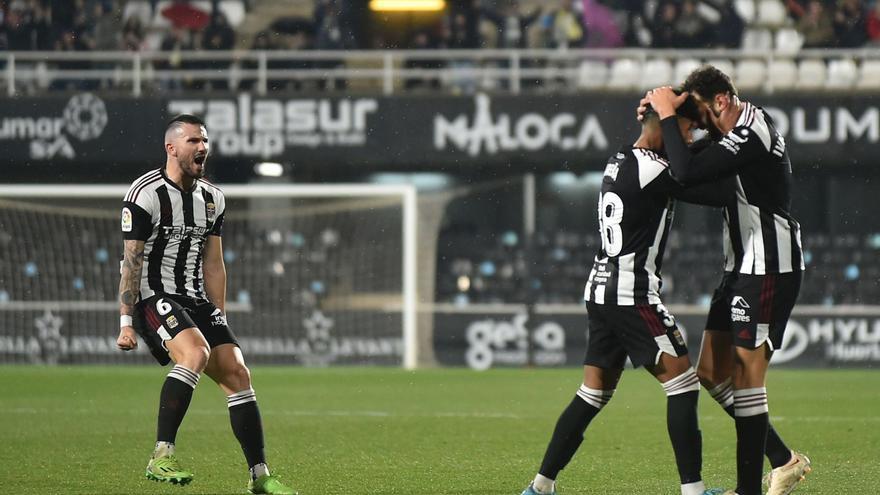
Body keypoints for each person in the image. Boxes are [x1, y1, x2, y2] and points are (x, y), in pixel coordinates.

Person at [520, 95, 727, 495]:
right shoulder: (657, 168)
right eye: (683, 130)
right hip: (631, 293)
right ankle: (694, 492)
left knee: (592, 393)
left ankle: (540, 488)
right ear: (660, 127)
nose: (685, 138)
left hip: (600, 288)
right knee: (683, 384)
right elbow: (703, 181)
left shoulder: (620, 159)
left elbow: (684, 157)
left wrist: (688, 120)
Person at [647, 66, 811, 495]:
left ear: (720, 100)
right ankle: (783, 460)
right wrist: (659, 117)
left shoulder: (753, 130)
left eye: (699, 113)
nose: (697, 124)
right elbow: (678, 164)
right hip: (740, 266)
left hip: (769, 265)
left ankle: (747, 491)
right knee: (711, 372)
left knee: (745, 373)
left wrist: (667, 115)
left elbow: (683, 172)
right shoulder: (726, 134)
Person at [116, 114, 296, 495]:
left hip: (196, 299)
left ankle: (259, 476)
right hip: (154, 296)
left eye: (205, 141)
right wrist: (126, 322)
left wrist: (220, 318)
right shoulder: (145, 194)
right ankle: (161, 454)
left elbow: (214, 263)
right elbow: (131, 260)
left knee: (237, 373)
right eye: (194, 140)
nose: (203, 147)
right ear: (172, 148)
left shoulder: (213, 198)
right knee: (195, 352)